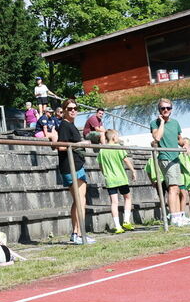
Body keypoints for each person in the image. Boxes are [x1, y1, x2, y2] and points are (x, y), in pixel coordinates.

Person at [50, 99, 92, 244]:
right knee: (81, 200)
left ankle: (76, 233)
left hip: (75, 165)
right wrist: (80, 144)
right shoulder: (65, 125)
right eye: (69, 108)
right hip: (71, 166)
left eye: (75, 108)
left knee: (78, 200)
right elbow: (60, 147)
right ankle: (80, 235)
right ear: (64, 111)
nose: (73, 110)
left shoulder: (69, 125)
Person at [151, 98, 187, 227]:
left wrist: (186, 144)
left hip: (176, 157)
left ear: (171, 109)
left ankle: (178, 216)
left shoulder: (175, 123)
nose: (166, 110)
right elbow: (157, 137)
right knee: (172, 188)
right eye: (163, 108)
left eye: (168, 108)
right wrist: (161, 122)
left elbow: (180, 139)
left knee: (177, 189)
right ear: (159, 110)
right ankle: (174, 217)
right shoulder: (154, 123)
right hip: (165, 157)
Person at [97, 129, 136, 233]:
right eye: (117, 136)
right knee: (127, 198)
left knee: (114, 202)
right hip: (121, 178)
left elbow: (100, 165)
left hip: (110, 179)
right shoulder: (118, 147)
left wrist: (105, 173)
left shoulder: (102, 150)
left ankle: (117, 226)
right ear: (113, 137)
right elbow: (126, 160)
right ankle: (126, 221)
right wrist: (133, 170)